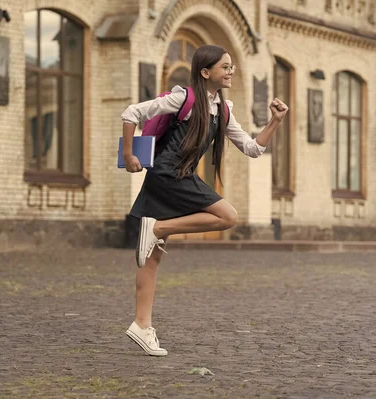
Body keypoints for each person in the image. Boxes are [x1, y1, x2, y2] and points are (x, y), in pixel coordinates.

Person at [120, 45, 289, 356]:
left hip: (175, 176)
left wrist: (275, 122)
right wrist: (129, 154)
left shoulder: (221, 110)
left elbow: (252, 148)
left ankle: (142, 326)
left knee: (151, 257)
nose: (230, 71)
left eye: (231, 66)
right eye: (225, 66)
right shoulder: (183, 98)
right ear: (205, 71)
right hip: (170, 174)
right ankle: (158, 229)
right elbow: (132, 112)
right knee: (228, 215)